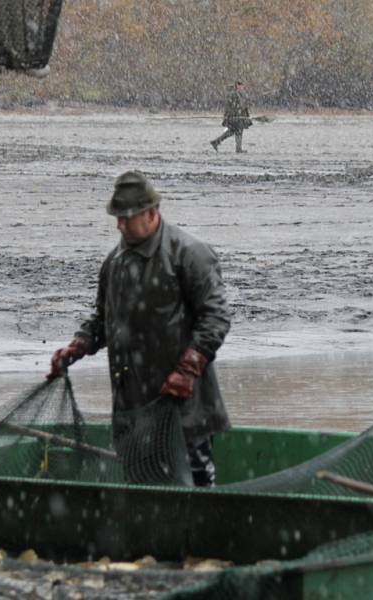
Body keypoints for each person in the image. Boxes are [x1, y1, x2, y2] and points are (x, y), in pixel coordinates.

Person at [48, 171, 232, 487]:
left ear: (151, 213)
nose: (120, 225)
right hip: (132, 403)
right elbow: (102, 320)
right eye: (117, 217)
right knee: (141, 483)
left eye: (126, 217)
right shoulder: (114, 262)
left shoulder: (189, 254)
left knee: (198, 481)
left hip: (182, 402)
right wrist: (78, 345)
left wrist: (188, 371)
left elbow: (215, 318)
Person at [210, 80, 252, 153]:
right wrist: (229, 115)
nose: (242, 87)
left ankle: (216, 142)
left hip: (239, 117)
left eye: (242, 86)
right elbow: (230, 106)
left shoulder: (240, 94)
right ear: (237, 86)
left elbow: (243, 106)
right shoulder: (233, 94)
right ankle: (238, 149)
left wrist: (245, 115)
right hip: (234, 117)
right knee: (238, 131)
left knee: (232, 131)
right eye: (241, 85)